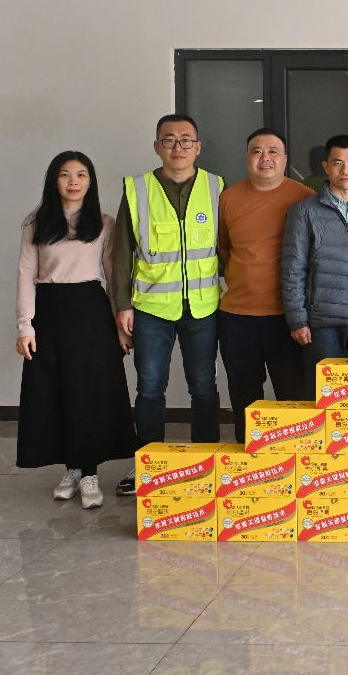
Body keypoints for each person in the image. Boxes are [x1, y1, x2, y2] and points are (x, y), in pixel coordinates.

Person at [15, 151, 137, 509]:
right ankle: (71, 468)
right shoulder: (35, 222)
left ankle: (90, 473)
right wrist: (24, 326)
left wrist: (120, 325)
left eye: (81, 174)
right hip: (49, 313)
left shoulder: (104, 222)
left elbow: (113, 275)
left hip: (90, 312)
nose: (73, 181)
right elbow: (25, 273)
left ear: (90, 181)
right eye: (65, 174)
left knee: (90, 393)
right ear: (54, 181)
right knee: (55, 392)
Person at [114, 115, 224, 496]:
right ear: (156, 146)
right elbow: (121, 254)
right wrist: (122, 305)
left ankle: (207, 464)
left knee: (204, 388)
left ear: (198, 146)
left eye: (186, 140)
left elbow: (228, 247)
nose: (178, 147)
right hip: (150, 309)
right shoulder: (137, 189)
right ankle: (148, 467)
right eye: (169, 140)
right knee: (149, 389)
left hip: (203, 308)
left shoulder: (216, 187)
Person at [216, 128, 314, 440]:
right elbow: (223, 249)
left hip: (289, 317)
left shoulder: (305, 198)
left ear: (284, 159)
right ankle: (249, 457)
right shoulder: (227, 198)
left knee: (293, 395)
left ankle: (293, 459)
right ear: (247, 158)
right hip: (237, 316)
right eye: (257, 151)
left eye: (273, 151)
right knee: (244, 395)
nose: (265, 158)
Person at [283, 134, 348, 375]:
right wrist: (297, 320)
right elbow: (293, 269)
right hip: (322, 324)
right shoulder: (304, 211)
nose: (345, 170)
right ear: (326, 166)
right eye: (338, 162)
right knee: (325, 391)